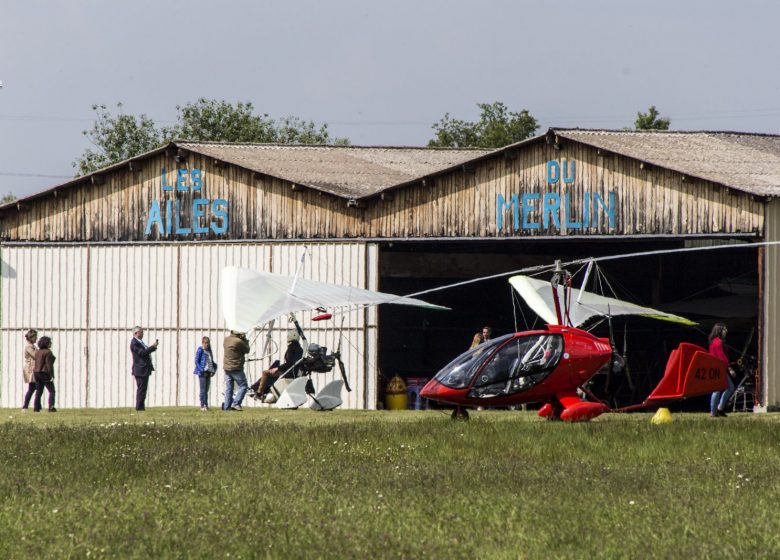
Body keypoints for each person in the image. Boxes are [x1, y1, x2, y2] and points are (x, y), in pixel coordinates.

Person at [251, 329, 304, 401]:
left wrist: (277, 368)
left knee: (265, 373)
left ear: (292, 336)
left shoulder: (292, 348)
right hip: (292, 371)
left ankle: (259, 393)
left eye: (288, 336)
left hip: (288, 372)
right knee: (271, 371)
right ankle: (264, 391)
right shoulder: (299, 348)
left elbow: (289, 363)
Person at [709, 322, 736, 418]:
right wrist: (730, 368)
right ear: (719, 330)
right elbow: (721, 356)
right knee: (717, 389)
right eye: (724, 329)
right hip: (719, 368)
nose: (726, 331)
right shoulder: (718, 341)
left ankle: (719, 409)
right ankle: (713, 412)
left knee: (730, 388)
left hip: (718, 367)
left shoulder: (714, 341)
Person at [130, 326, 158, 411]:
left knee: (143, 389)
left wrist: (152, 347)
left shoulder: (140, 342)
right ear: (136, 333)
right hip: (140, 369)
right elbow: (142, 353)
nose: (142, 334)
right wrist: (152, 347)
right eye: (141, 332)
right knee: (141, 389)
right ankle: (139, 407)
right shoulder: (134, 342)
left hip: (144, 369)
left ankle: (141, 406)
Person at [223, 331, 250, 411]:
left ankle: (226, 407)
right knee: (243, 386)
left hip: (227, 368)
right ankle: (236, 403)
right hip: (236, 368)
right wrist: (245, 340)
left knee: (229, 388)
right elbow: (247, 350)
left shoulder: (226, 339)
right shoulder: (238, 341)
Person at [33, 335, 56, 412]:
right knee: (52, 391)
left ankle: (36, 408)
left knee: (39, 391)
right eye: (50, 342)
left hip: (36, 372)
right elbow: (49, 365)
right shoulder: (48, 352)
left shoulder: (38, 352)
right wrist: (52, 375)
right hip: (44, 373)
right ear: (46, 343)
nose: (51, 344)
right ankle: (51, 407)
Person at [194, 336, 217, 411]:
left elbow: (211, 362)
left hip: (208, 372)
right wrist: (201, 370)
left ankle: (206, 405)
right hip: (202, 372)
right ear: (203, 343)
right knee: (202, 390)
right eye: (206, 343)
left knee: (206, 390)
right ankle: (202, 405)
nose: (207, 344)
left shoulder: (209, 351)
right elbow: (196, 361)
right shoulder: (200, 350)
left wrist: (214, 369)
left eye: (208, 343)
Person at [22, 329, 38, 410]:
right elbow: (36, 355)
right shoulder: (29, 346)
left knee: (33, 388)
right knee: (33, 388)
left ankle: (30, 406)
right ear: (31, 337)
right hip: (30, 369)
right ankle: (26, 406)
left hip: (33, 367)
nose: (36, 339)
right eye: (35, 337)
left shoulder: (32, 346)